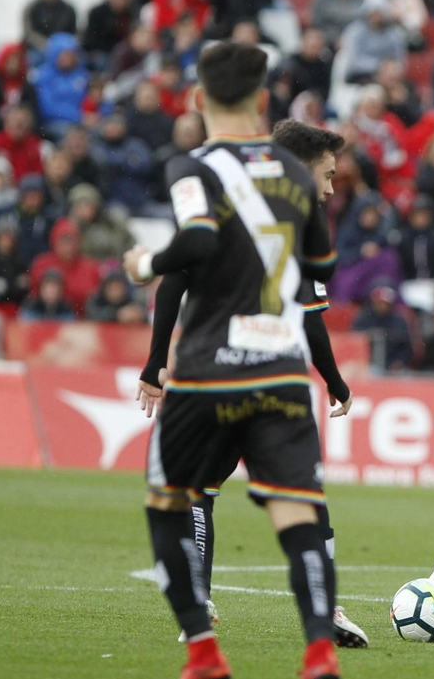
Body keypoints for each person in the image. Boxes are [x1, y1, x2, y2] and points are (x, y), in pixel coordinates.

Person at [120, 44, 345, 679]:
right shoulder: (302, 179)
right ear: (262, 101)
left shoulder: (192, 166)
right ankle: (318, 655)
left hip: (210, 368)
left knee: (170, 501)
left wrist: (141, 263)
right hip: (279, 368)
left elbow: (192, 246)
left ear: (196, 99)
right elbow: (319, 260)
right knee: (298, 511)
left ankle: (202, 650)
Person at [136, 116, 365, 647]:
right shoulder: (292, 220)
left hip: (211, 375)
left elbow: (172, 282)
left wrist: (154, 364)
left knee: (197, 489)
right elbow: (309, 317)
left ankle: (197, 601)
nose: (331, 188)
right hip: (273, 377)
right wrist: (334, 380)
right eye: (327, 175)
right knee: (301, 495)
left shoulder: (219, 202)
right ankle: (323, 608)